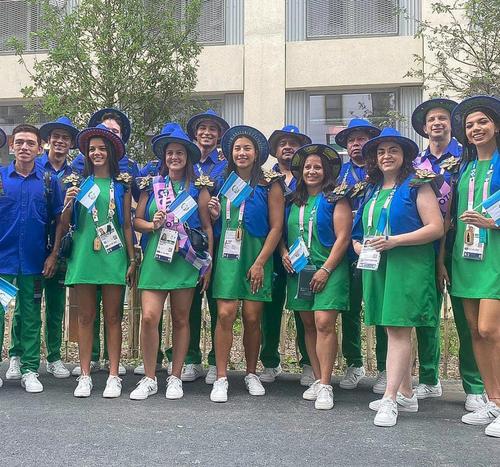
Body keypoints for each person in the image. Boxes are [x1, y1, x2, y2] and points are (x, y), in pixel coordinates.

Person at [352, 128, 443, 427]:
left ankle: (390, 398)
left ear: (404, 155)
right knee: (392, 328)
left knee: (399, 328)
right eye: (380, 152)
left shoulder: (418, 185)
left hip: (408, 265)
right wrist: (359, 245)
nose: (386, 156)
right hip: (378, 265)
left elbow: (435, 228)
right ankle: (406, 393)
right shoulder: (373, 190)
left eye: (392, 150)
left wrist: (395, 241)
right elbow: (360, 231)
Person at [412, 99, 485, 410]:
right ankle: (429, 379)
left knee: (467, 316)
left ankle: (475, 384)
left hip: (466, 240)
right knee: (426, 314)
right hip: (426, 243)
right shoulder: (416, 163)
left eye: (443, 117)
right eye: (432, 119)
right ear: (425, 127)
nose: (437, 123)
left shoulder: (466, 157)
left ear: (452, 125)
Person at [130, 125, 213, 400]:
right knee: (149, 317)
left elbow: (206, 227)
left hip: (184, 261)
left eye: (179, 153)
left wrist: (207, 265)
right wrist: (152, 225)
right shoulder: (151, 186)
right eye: (170, 153)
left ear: (187, 157)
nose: (174, 157)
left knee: (180, 319)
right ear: (164, 157)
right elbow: (136, 223)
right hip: (156, 259)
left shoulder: (197, 189)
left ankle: (175, 376)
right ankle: (150, 376)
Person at [208, 125, 285, 402]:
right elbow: (217, 221)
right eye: (237, 148)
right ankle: (221, 376)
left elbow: (276, 228)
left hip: (257, 254)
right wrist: (215, 214)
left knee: (252, 317)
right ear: (230, 152)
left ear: (257, 153)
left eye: (247, 148)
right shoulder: (222, 180)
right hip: (228, 254)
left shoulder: (270, 183)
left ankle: (251, 373)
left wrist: (260, 263)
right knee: (226, 314)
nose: (242, 153)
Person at [63, 124, 136, 398]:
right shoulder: (77, 185)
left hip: (113, 255)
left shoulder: (122, 185)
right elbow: (65, 224)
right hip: (84, 255)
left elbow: (127, 225)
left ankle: (114, 374)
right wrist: (68, 204)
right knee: (85, 316)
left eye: (102, 149)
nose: (96, 153)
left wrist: (132, 259)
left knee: (114, 316)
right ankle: (84, 375)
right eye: (92, 149)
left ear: (112, 153)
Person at [444, 96, 500, 438]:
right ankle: (492, 400)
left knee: (492, 329)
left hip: (495, 253)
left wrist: (492, 224)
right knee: (475, 332)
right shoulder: (463, 168)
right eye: (469, 125)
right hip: (465, 256)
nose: (476, 129)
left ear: (495, 125)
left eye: (482, 122)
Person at [281, 144, 351, 410]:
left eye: (317, 167)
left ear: (327, 171)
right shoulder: (292, 200)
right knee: (308, 324)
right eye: (308, 167)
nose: (312, 171)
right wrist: (284, 252)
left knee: (324, 323)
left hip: (328, 269)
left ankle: (325, 384)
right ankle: (319, 376)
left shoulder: (336, 198)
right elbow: (279, 231)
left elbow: (343, 238)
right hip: (298, 269)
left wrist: (326, 269)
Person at [162, 109, 229, 384]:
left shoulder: (224, 167)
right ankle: (189, 358)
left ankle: (215, 360)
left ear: (219, 135)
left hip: (217, 240)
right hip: (179, 244)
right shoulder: (183, 163)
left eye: (213, 129)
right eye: (203, 128)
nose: (207, 133)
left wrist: (217, 210)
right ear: (194, 133)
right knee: (185, 304)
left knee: (216, 300)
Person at [0, 124, 64, 392]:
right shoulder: (2, 178)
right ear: (12, 145)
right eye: (20, 142)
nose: (25, 147)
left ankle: (29, 369)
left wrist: (53, 254)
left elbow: (59, 220)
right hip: (2, 262)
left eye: (30, 143)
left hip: (34, 261)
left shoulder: (50, 182)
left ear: (40, 148)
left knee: (30, 314)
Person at [333, 118, 388, 394]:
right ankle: (354, 363)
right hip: (348, 250)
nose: (357, 144)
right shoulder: (338, 175)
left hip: (380, 247)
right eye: (352, 140)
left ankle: (386, 368)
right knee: (349, 308)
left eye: (362, 138)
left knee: (380, 308)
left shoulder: (384, 175)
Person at [260, 125, 313, 386]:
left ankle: (308, 362)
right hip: (274, 254)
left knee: (304, 309)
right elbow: (272, 222)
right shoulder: (266, 179)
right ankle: (270, 360)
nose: (288, 147)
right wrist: (281, 251)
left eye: (293, 143)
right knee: (269, 310)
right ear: (275, 149)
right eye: (283, 143)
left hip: (305, 255)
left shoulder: (309, 177)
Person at [27, 117, 78, 380]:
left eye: (65, 138)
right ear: (47, 141)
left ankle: (54, 357)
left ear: (71, 144)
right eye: (56, 136)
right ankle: (19, 356)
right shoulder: (32, 168)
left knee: (57, 305)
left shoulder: (76, 175)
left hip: (61, 248)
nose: (60, 141)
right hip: (32, 246)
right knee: (28, 303)